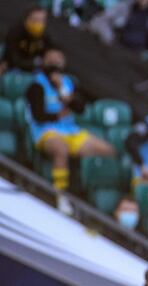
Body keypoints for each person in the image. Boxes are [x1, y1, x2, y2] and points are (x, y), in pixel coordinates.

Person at [25, 48, 115, 192]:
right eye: (51, 60)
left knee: (108, 150)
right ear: (44, 62)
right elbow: (38, 116)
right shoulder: (36, 85)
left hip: (70, 131)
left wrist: (62, 90)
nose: (55, 63)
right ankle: (60, 192)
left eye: (58, 60)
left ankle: (91, 192)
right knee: (61, 148)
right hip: (46, 132)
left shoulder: (68, 83)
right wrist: (58, 115)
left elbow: (80, 108)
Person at [2, 6, 53, 72]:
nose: (39, 24)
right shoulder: (15, 32)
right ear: (27, 19)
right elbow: (11, 58)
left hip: (34, 70)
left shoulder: (45, 36)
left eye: (42, 20)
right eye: (35, 19)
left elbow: (48, 54)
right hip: (13, 68)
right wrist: (34, 63)